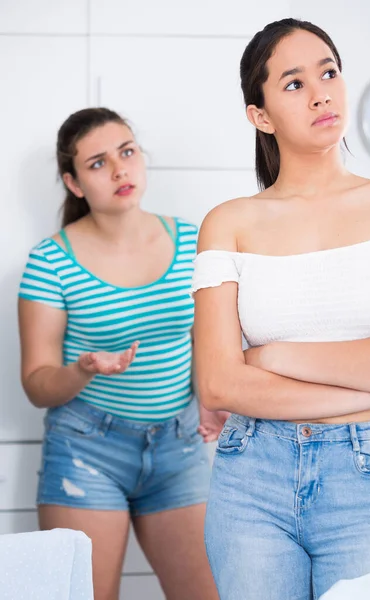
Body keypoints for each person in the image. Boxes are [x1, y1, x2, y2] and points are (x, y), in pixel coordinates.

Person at [192, 18, 370, 600]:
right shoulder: (228, 222)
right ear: (260, 116)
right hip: (250, 477)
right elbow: (217, 383)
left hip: (368, 477)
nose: (321, 93)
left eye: (329, 72)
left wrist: (271, 356)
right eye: (293, 83)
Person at [18, 107, 220, 600]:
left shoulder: (196, 241)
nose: (119, 170)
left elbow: (212, 339)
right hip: (88, 451)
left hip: (180, 446)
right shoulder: (50, 262)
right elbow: (37, 383)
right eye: (97, 163)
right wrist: (83, 369)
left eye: (127, 152)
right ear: (74, 183)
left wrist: (214, 395)